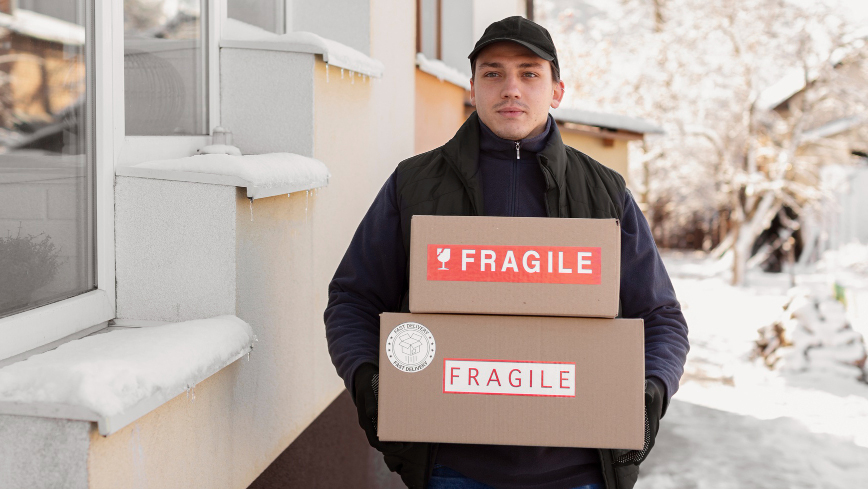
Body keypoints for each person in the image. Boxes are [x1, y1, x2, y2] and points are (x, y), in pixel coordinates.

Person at [324, 16, 689, 489]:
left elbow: (661, 316)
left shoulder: (603, 193)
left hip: (580, 470)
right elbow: (353, 299)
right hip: (451, 468)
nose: (511, 88)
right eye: (493, 73)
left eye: (529, 73)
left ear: (557, 90)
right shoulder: (414, 185)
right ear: (472, 87)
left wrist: (650, 391)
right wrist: (368, 380)